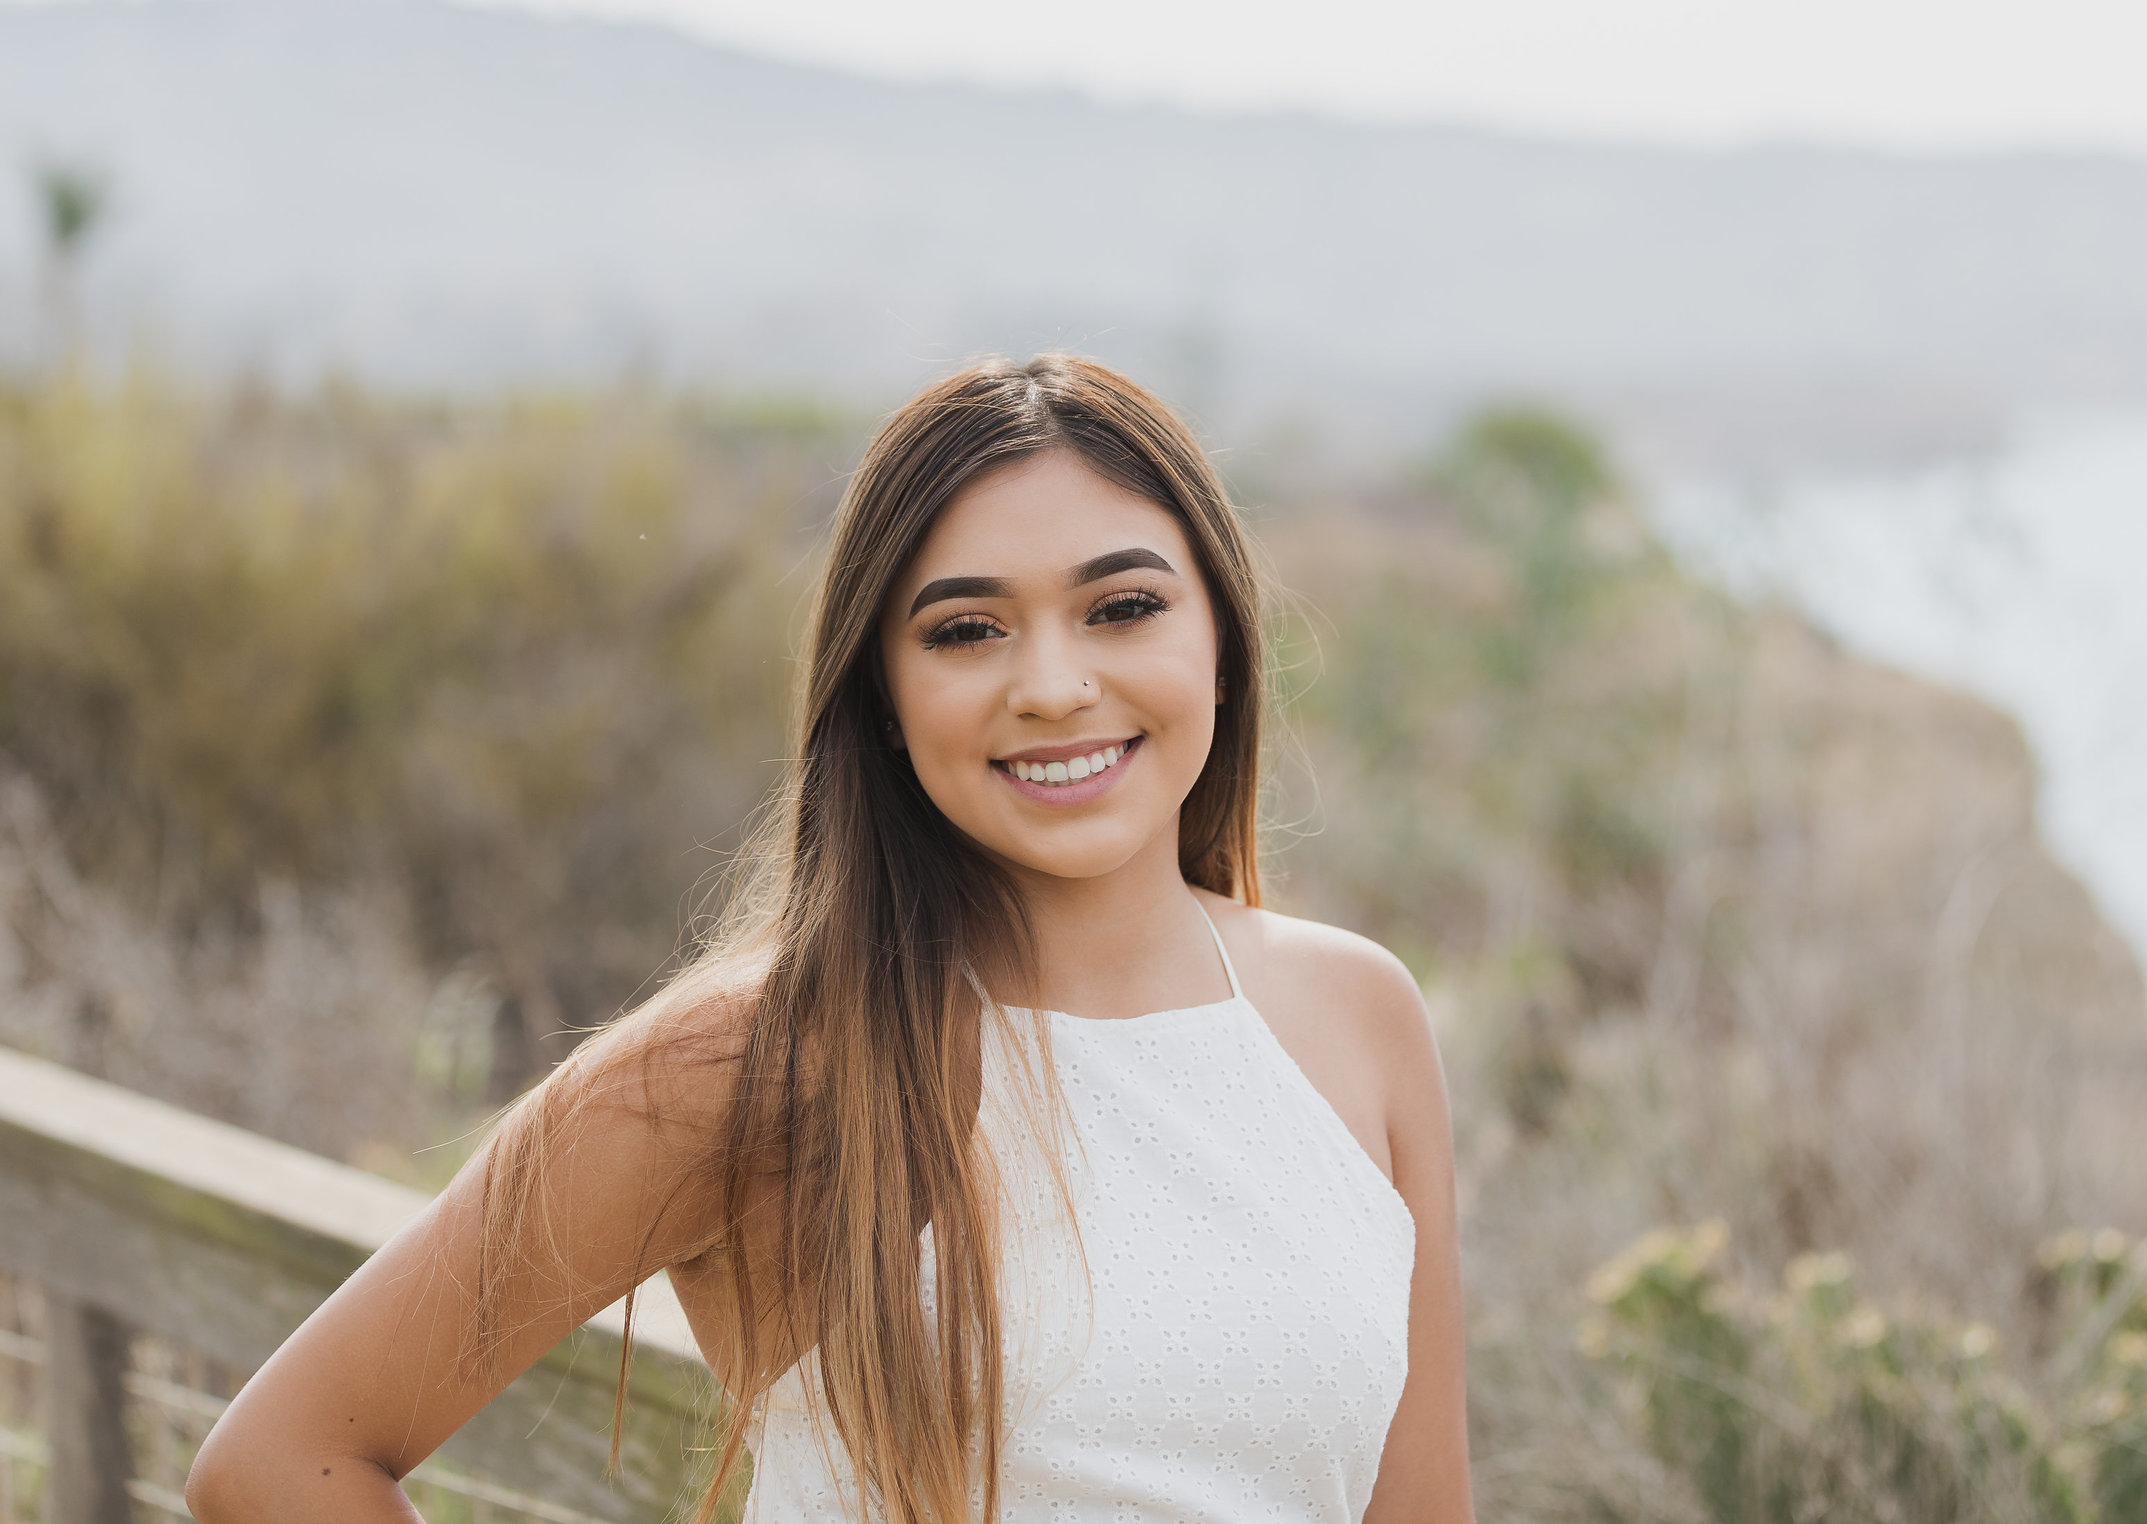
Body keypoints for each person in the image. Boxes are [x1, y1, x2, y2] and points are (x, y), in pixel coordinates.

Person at [186, 354, 1473, 1523]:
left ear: (1222, 643)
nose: (1052, 684)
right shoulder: (753, 1059)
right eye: (967, 630)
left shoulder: (1357, 1015)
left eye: (1122, 606)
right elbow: (284, 1460)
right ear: (885, 696)